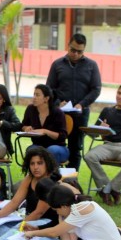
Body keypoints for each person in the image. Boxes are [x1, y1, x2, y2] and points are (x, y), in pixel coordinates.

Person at [46, 33, 102, 171]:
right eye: (73, 50)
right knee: (55, 144)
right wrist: (58, 103)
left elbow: (96, 89)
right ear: (68, 45)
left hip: (80, 113)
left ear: (84, 50)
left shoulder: (91, 66)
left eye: (79, 51)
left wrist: (82, 104)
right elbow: (49, 88)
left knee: (75, 147)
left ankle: (70, 181)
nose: (75, 54)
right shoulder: (57, 64)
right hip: (59, 113)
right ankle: (54, 177)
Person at [21, 84, 69, 164]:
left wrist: (45, 131)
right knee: (31, 150)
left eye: (37, 95)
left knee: (51, 150)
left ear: (46, 98)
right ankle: (33, 175)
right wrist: (26, 128)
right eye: (34, 94)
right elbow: (22, 125)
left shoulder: (58, 113)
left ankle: (52, 175)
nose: (34, 97)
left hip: (58, 147)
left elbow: (63, 135)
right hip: (38, 145)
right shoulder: (30, 109)